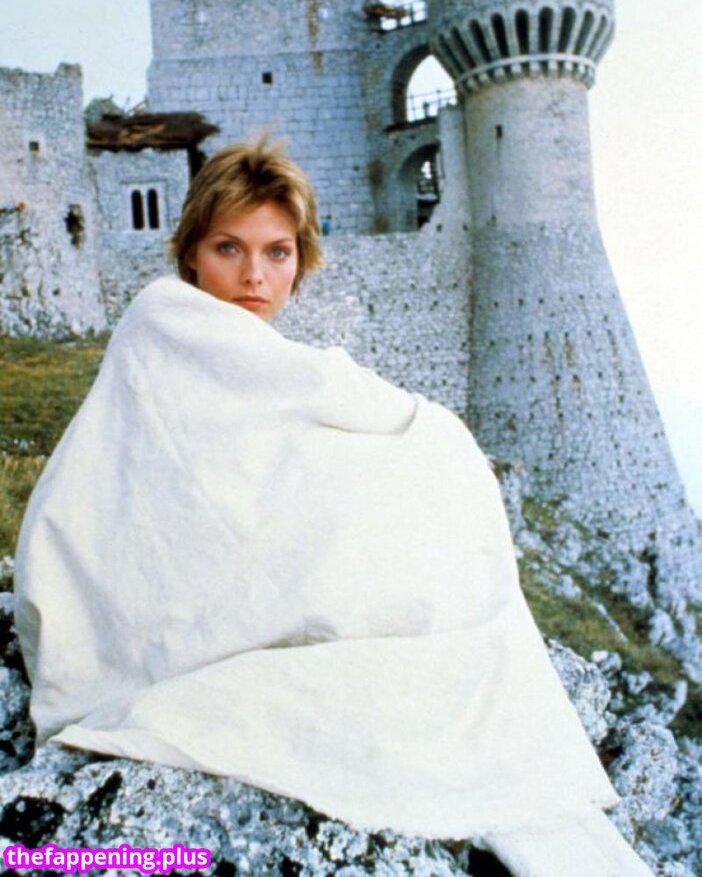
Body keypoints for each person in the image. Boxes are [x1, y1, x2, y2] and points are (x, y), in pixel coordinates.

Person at [14, 138, 654, 877]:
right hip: (142, 588)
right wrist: (435, 430)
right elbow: (321, 390)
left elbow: (269, 452)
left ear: (301, 261)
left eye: (277, 253)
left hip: (211, 556)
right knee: (436, 456)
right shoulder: (164, 313)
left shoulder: (235, 348)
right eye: (229, 248)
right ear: (191, 252)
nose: (254, 276)